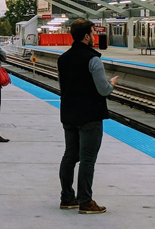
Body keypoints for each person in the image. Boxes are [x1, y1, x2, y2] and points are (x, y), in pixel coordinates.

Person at [57, 19, 119, 214]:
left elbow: (65, 85)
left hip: (69, 114)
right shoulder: (93, 59)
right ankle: (85, 201)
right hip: (90, 115)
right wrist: (112, 85)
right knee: (87, 159)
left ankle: (67, 198)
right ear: (86, 36)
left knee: (70, 155)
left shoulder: (63, 58)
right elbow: (103, 90)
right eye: (93, 33)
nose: (94, 37)